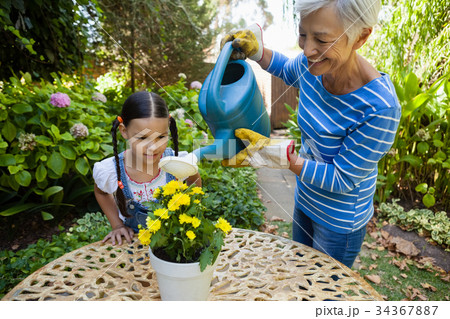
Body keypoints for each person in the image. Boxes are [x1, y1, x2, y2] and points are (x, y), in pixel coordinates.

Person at [221, 0, 401, 268]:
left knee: (320, 296)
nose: (307, 50)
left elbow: (341, 178)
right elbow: (286, 68)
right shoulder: (314, 67)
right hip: (305, 200)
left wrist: (272, 154)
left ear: (361, 37)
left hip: (338, 224)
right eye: (303, 34)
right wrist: (257, 52)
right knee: (298, 279)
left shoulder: (379, 107)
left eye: (322, 39)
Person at [93, 91, 201, 245]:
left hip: (175, 242)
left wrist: (191, 213)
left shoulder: (176, 163)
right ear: (124, 131)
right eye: (143, 138)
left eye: (161, 137)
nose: (153, 147)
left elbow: (193, 178)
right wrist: (117, 225)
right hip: (134, 246)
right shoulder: (111, 170)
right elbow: (101, 192)